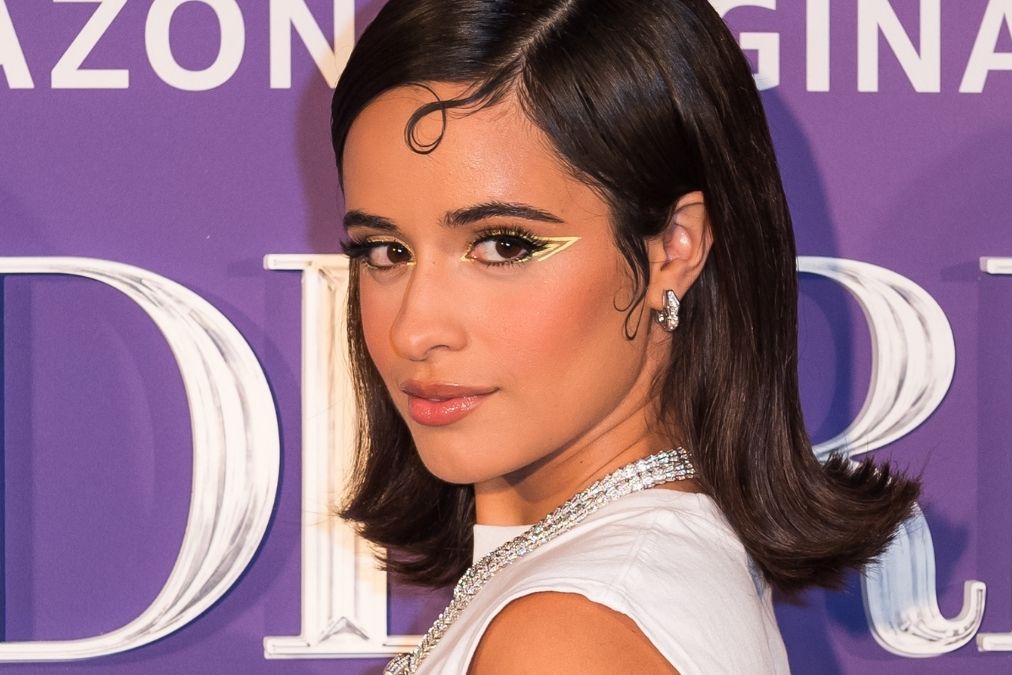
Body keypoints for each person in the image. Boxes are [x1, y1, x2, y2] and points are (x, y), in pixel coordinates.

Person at [331, 0, 920, 672]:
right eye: (384, 250)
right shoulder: (630, 578)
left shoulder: (570, 637)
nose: (413, 330)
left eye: (503, 245)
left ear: (674, 247)